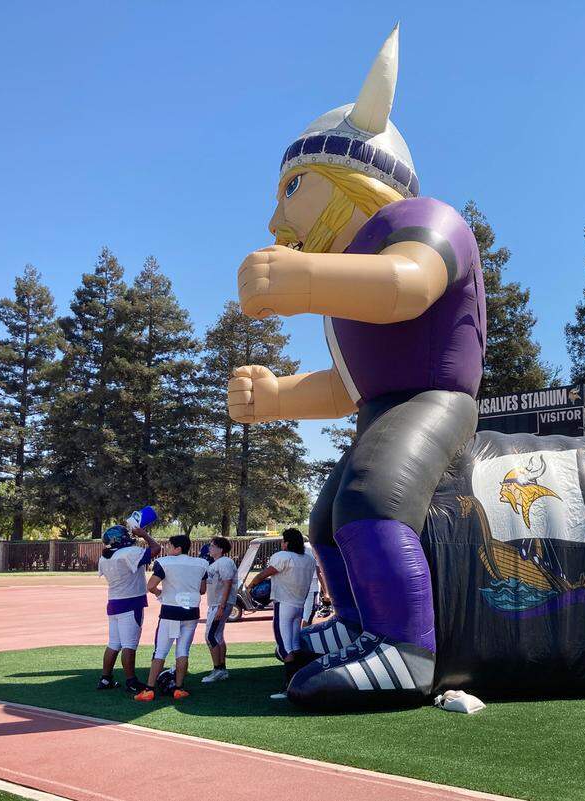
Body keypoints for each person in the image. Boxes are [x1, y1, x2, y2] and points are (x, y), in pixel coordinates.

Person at [226, 26, 483, 708]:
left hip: (434, 399)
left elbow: (412, 284)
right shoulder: (343, 297)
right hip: (379, 408)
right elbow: (346, 385)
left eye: (293, 189)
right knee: (324, 520)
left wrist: (307, 277)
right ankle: (359, 621)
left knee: (372, 498)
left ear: (347, 177)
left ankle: (406, 648)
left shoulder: (426, 221)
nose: (277, 218)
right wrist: (278, 394)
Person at [135, 535, 207, 701]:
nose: (167, 549)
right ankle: (179, 688)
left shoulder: (166, 562)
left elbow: (151, 586)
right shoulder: (201, 564)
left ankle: (149, 689)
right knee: (183, 651)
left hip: (171, 612)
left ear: (178, 548)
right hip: (191, 612)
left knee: (161, 650)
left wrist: (160, 593)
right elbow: (202, 590)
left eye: (170, 546)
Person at [247, 528, 316, 697]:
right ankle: (301, 683)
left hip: (284, 605)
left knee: (285, 648)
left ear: (287, 542)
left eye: (283, 541)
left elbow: (264, 574)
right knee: (295, 645)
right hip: (299, 605)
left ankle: (290, 688)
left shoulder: (283, 557)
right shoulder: (308, 559)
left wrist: (250, 585)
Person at [97, 524, 160, 691]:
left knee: (113, 643)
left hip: (114, 602)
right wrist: (143, 534)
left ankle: (105, 679)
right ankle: (131, 682)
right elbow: (156, 549)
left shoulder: (105, 557)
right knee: (129, 645)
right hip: (131, 602)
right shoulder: (128, 552)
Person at [202, 536, 238, 683]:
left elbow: (227, 583)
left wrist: (222, 606)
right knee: (217, 636)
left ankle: (218, 669)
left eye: (212, 546)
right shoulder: (216, 563)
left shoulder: (224, 562)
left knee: (210, 636)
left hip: (219, 604)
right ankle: (222, 669)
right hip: (216, 603)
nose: (210, 548)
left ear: (220, 549)